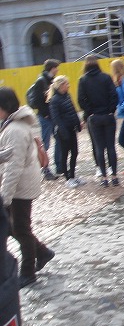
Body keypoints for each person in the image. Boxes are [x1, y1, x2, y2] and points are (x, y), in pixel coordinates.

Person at [0, 87, 55, 288]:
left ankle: (28, 272)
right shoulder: (12, 125)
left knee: (21, 229)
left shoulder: (14, 129)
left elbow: (13, 167)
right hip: (20, 185)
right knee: (14, 227)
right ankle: (42, 252)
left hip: (20, 187)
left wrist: (5, 197)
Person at [77, 55, 119, 188]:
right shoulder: (106, 77)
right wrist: (111, 110)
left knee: (99, 147)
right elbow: (114, 95)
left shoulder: (83, 80)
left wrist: (90, 111)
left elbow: (81, 100)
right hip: (108, 115)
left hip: (94, 117)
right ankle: (114, 176)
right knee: (111, 147)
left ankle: (104, 177)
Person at [47, 76, 83, 188]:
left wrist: (78, 124)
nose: (68, 86)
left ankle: (72, 175)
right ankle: (67, 178)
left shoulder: (67, 96)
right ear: (60, 85)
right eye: (66, 84)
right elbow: (56, 118)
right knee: (64, 154)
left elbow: (73, 111)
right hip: (63, 131)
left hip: (71, 128)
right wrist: (63, 132)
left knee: (75, 152)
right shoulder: (54, 100)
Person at [29, 59, 61, 181]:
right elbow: (38, 100)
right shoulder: (41, 81)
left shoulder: (51, 80)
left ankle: (59, 167)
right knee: (44, 144)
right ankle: (45, 169)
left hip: (52, 116)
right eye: (56, 67)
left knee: (58, 139)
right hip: (46, 117)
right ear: (52, 68)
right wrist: (45, 114)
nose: (57, 69)